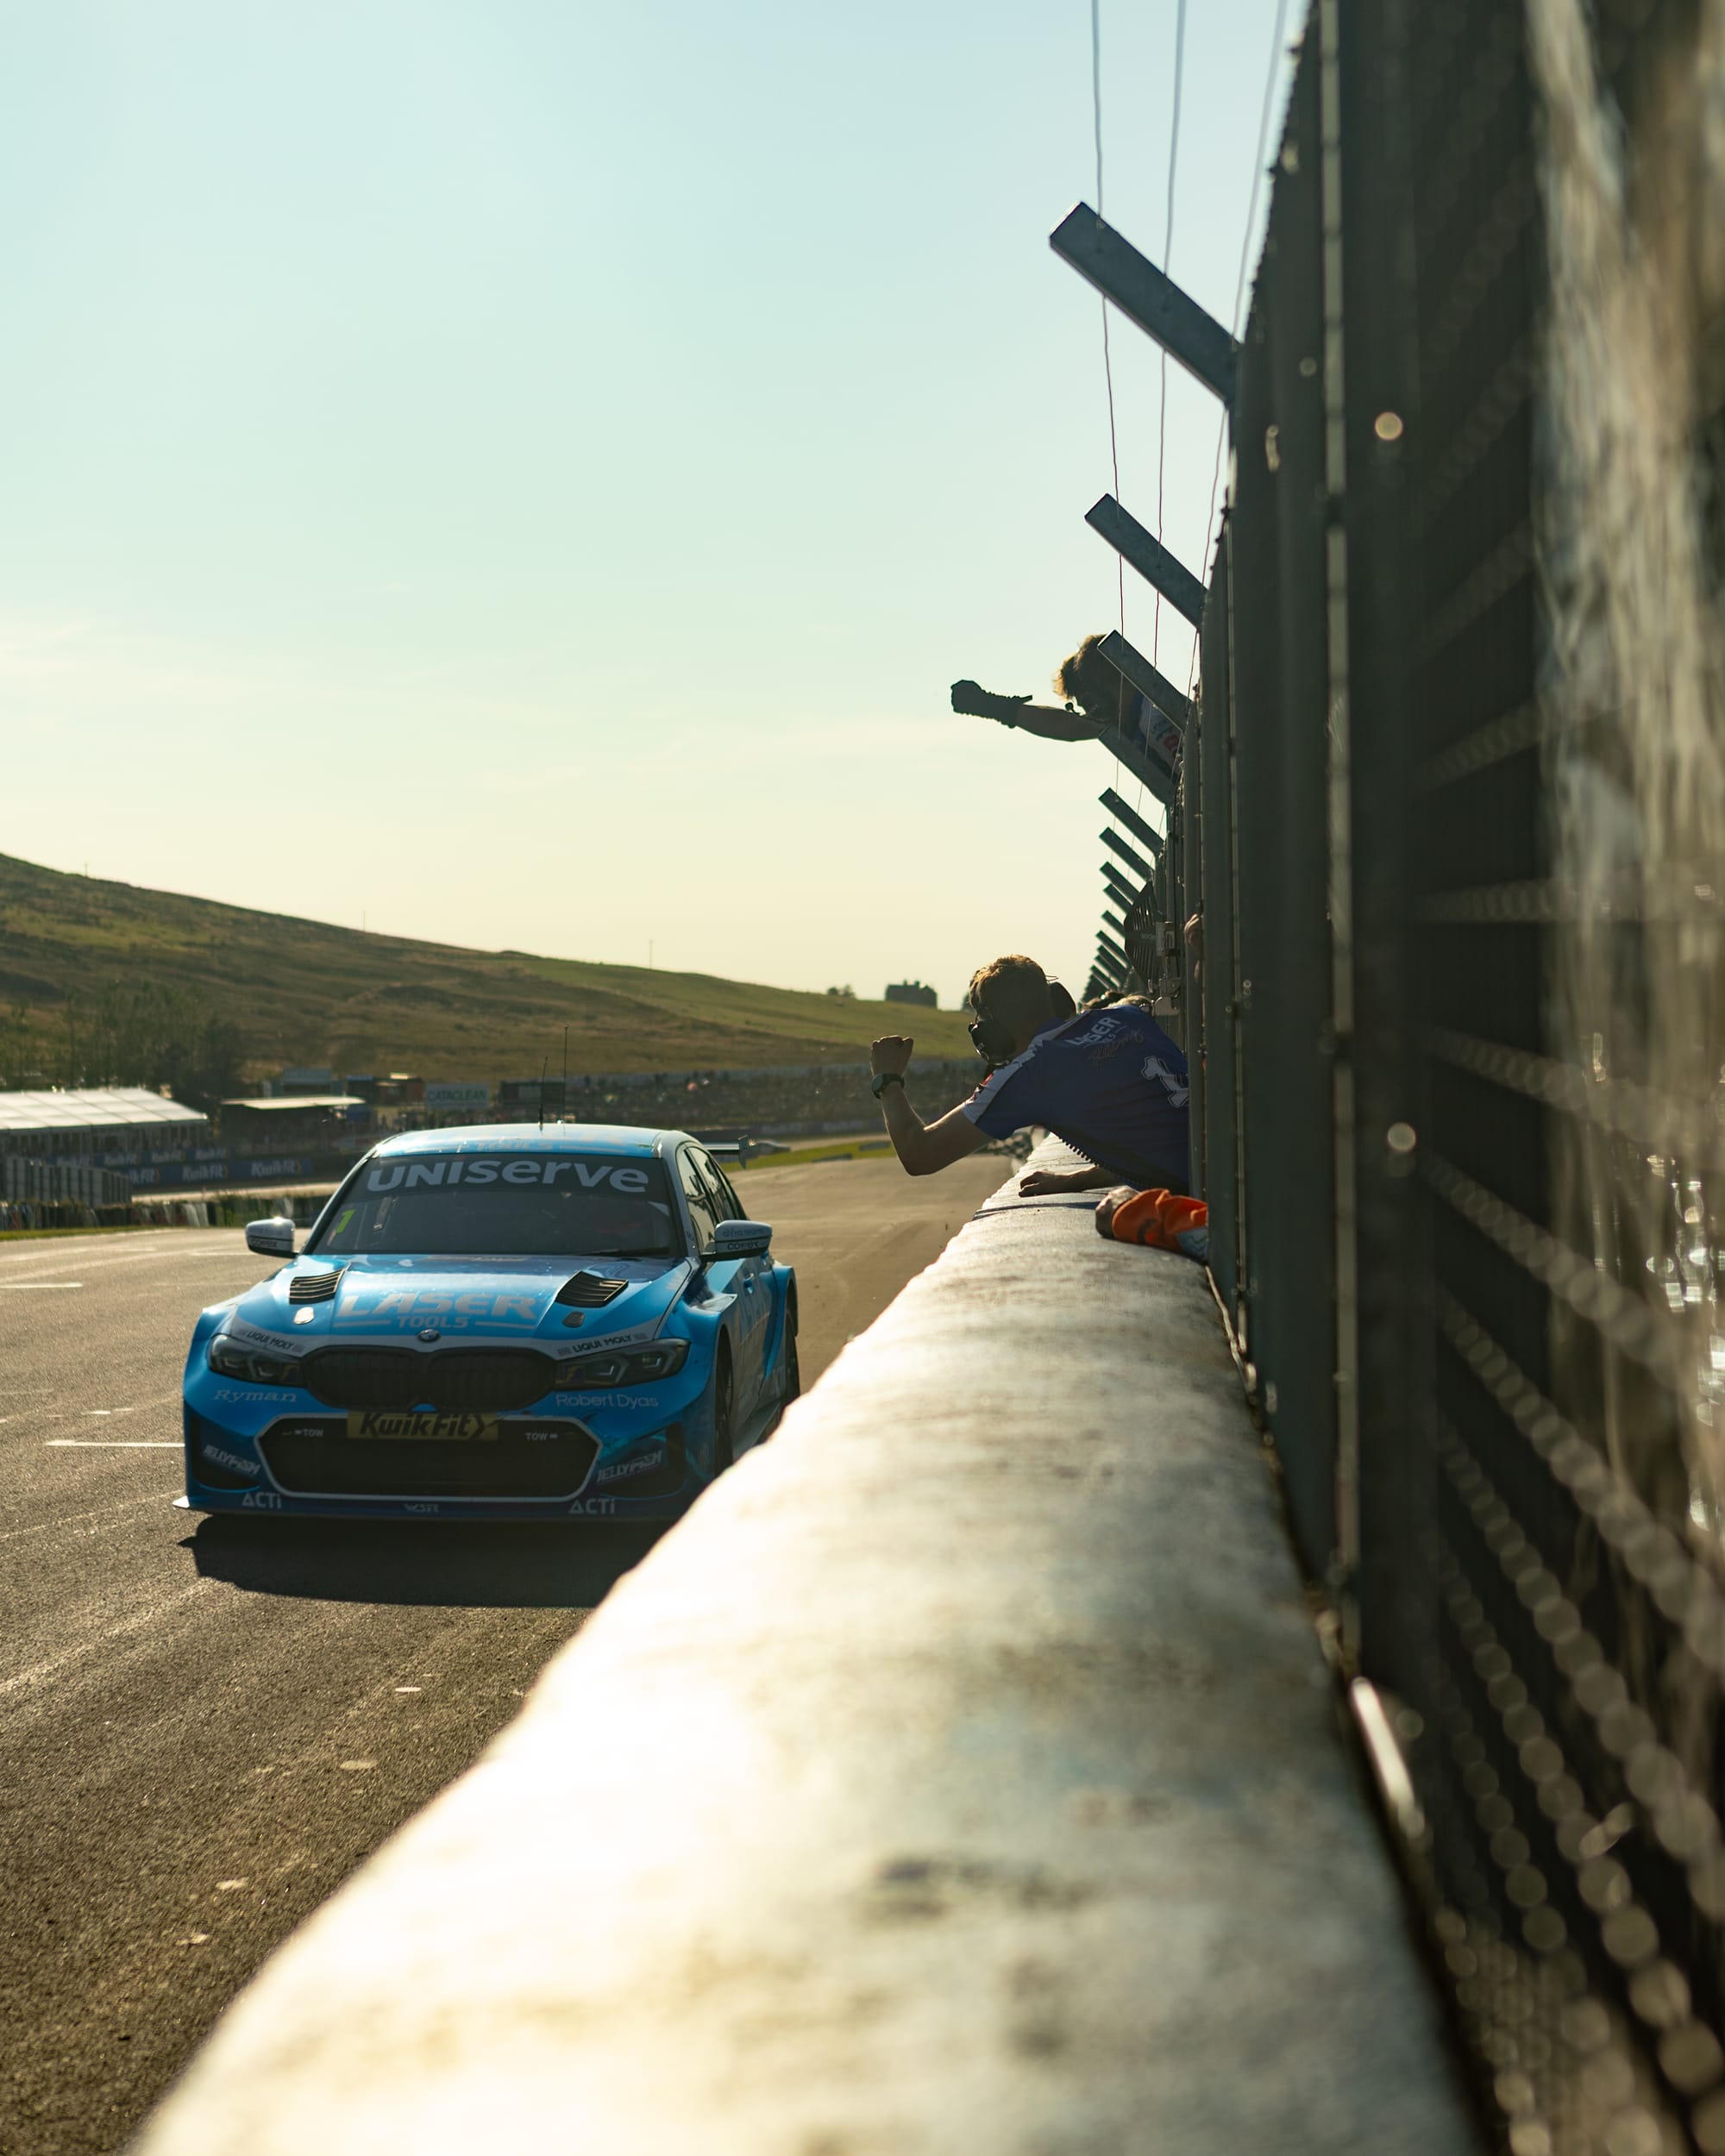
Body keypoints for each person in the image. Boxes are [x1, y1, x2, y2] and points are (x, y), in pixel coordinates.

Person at [869, 954, 1190, 1196]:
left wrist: (888, 1079)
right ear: (1056, 998)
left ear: (991, 1033)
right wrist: (1075, 1180)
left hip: (1200, 1202)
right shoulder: (1128, 1017)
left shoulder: (1030, 1074)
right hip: (1217, 1165)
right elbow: (1155, 1138)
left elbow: (920, 1155)